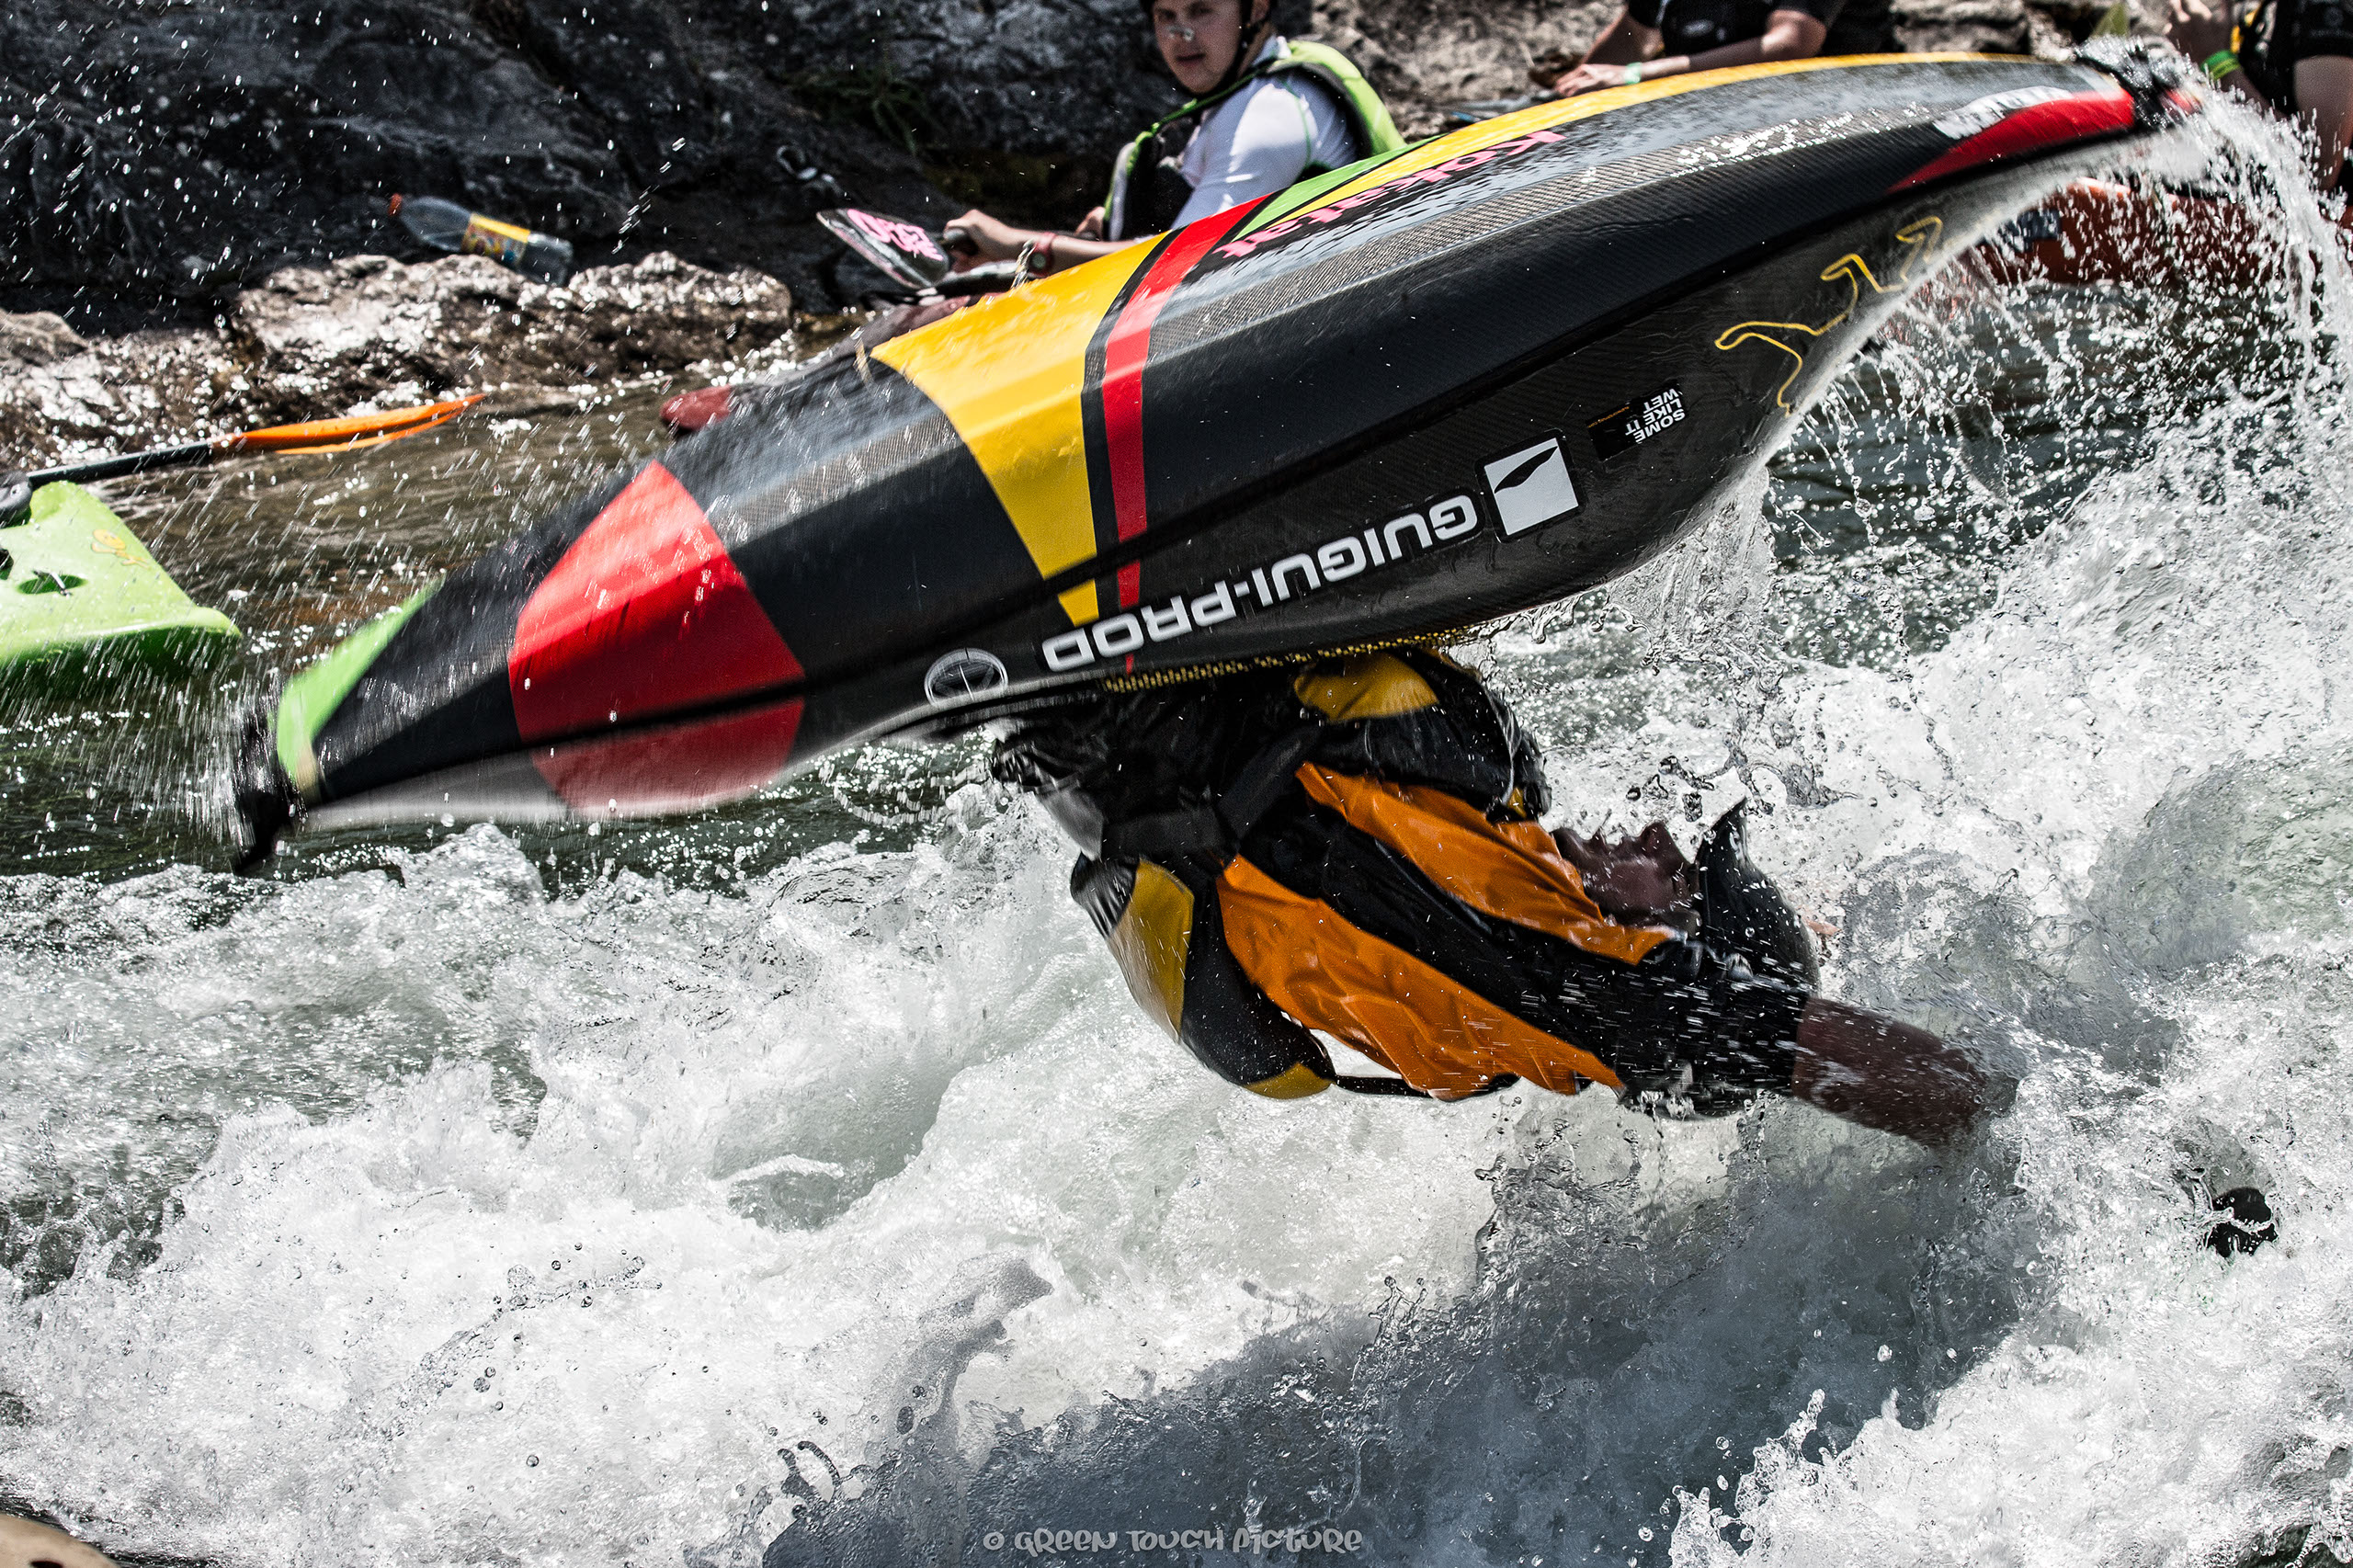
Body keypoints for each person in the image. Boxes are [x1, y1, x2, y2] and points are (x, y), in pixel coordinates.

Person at [993, 648, 1995, 1146]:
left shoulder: (1574, 983)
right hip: (1137, 714)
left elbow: (1785, 1042)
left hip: (1135, 711)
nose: (1655, 833)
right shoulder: (1502, 871)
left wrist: (2011, 1122)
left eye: (1677, 871)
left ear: (1661, 937)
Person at [943, 0, 1403, 277]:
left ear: (1257, 9)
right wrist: (1112, 221)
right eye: (1167, 15)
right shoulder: (1258, 80)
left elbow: (1179, 268)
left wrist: (1022, 249)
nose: (1182, 34)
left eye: (1202, 10)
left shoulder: (1272, 112)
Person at [2168, 0, 2353, 189]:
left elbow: (2319, 169)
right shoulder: (2261, 8)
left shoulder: (2324, 9)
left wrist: (2215, 63)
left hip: (2289, 202)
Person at [1547, 0, 1890, 98]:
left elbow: (1791, 42)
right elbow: (1632, 37)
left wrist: (1636, 75)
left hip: (1847, 113)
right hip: (1720, 117)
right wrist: (1567, 95)